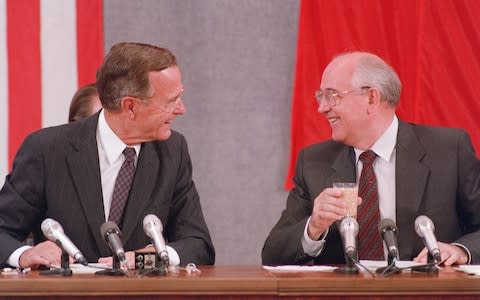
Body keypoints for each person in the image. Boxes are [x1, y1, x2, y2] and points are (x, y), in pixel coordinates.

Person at [0, 42, 215, 269]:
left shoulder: (173, 151)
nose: (181, 109)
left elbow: (198, 245)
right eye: (171, 101)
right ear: (130, 106)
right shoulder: (46, 150)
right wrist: (24, 255)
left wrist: (147, 259)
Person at [262, 51, 480, 266]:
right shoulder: (314, 162)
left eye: (332, 95)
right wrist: (313, 227)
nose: (322, 108)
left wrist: (460, 251)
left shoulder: (448, 151)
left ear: (371, 98)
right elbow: (272, 254)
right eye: (321, 96)